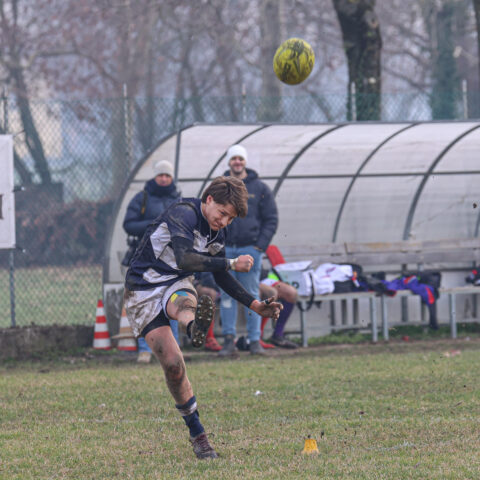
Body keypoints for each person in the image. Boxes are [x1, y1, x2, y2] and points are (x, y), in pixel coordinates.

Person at [123, 176, 282, 459]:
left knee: (183, 303)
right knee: (172, 365)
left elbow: (221, 276)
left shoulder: (217, 233)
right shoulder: (183, 212)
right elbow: (185, 258)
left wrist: (254, 303)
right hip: (143, 289)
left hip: (176, 283)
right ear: (209, 200)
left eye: (230, 219)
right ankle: (194, 327)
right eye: (222, 214)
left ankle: (194, 327)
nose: (224, 222)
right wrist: (232, 261)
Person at [218, 145, 278, 357]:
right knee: (226, 294)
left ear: (245, 162)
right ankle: (228, 340)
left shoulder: (260, 188)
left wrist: (259, 246)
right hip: (225, 250)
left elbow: (271, 219)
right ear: (228, 162)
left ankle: (254, 341)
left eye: (240, 159)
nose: (237, 162)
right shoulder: (220, 186)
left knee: (252, 294)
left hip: (249, 249)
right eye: (233, 158)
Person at [123, 160, 181, 364]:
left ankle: (174, 349)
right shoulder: (142, 198)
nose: (164, 179)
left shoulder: (178, 199)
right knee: (145, 302)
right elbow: (128, 225)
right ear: (155, 177)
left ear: (172, 178)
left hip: (171, 260)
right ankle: (145, 349)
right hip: (145, 258)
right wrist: (155, 225)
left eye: (167, 175)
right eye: (160, 175)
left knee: (172, 301)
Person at [259, 271, 298, 349]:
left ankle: (278, 335)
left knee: (291, 293)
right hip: (244, 277)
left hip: (261, 276)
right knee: (271, 294)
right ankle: (257, 337)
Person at [193, 273, 222, 352]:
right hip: (191, 280)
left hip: (216, 282)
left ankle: (229, 338)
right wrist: (197, 284)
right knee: (208, 294)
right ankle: (209, 338)